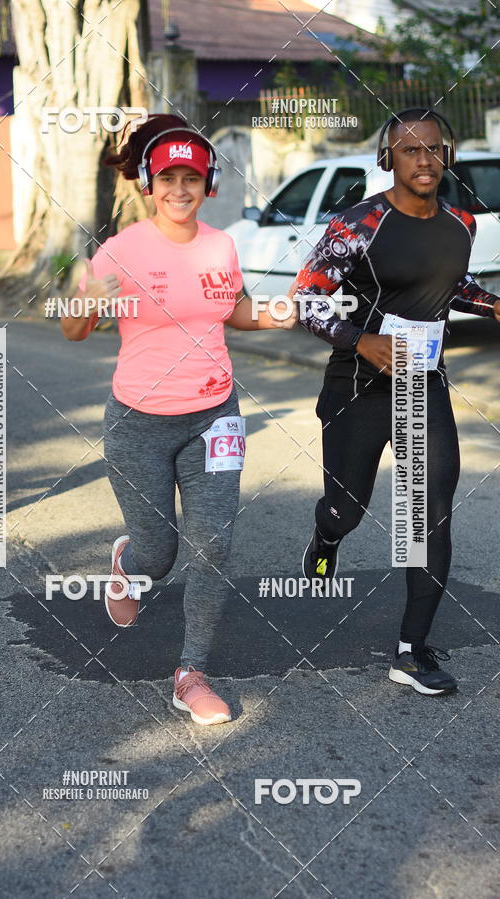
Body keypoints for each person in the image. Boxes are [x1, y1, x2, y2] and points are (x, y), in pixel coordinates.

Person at [61, 113, 297, 724]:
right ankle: (127, 564)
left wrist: (285, 311)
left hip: (215, 415)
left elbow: (236, 312)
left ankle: (190, 672)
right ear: (148, 183)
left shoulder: (222, 244)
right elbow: (73, 328)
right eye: (167, 177)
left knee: (213, 543)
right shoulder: (121, 249)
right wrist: (86, 294)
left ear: (207, 183)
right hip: (138, 421)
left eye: (191, 177)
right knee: (158, 554)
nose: (180, 189)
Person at [292, 108, 500, 696]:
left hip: (421, 384)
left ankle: (411, 650)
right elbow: (306, 297)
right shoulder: (358, 224)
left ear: (447, 153)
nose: (424, 160)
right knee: (347, 508)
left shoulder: (462, 224)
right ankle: (326, 536)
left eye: (434, 149)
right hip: (356, 387)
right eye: (410, 150)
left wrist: (492, 304)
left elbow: (449, 287)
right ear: (390, 158)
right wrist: (363, 339)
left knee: (428, 514)